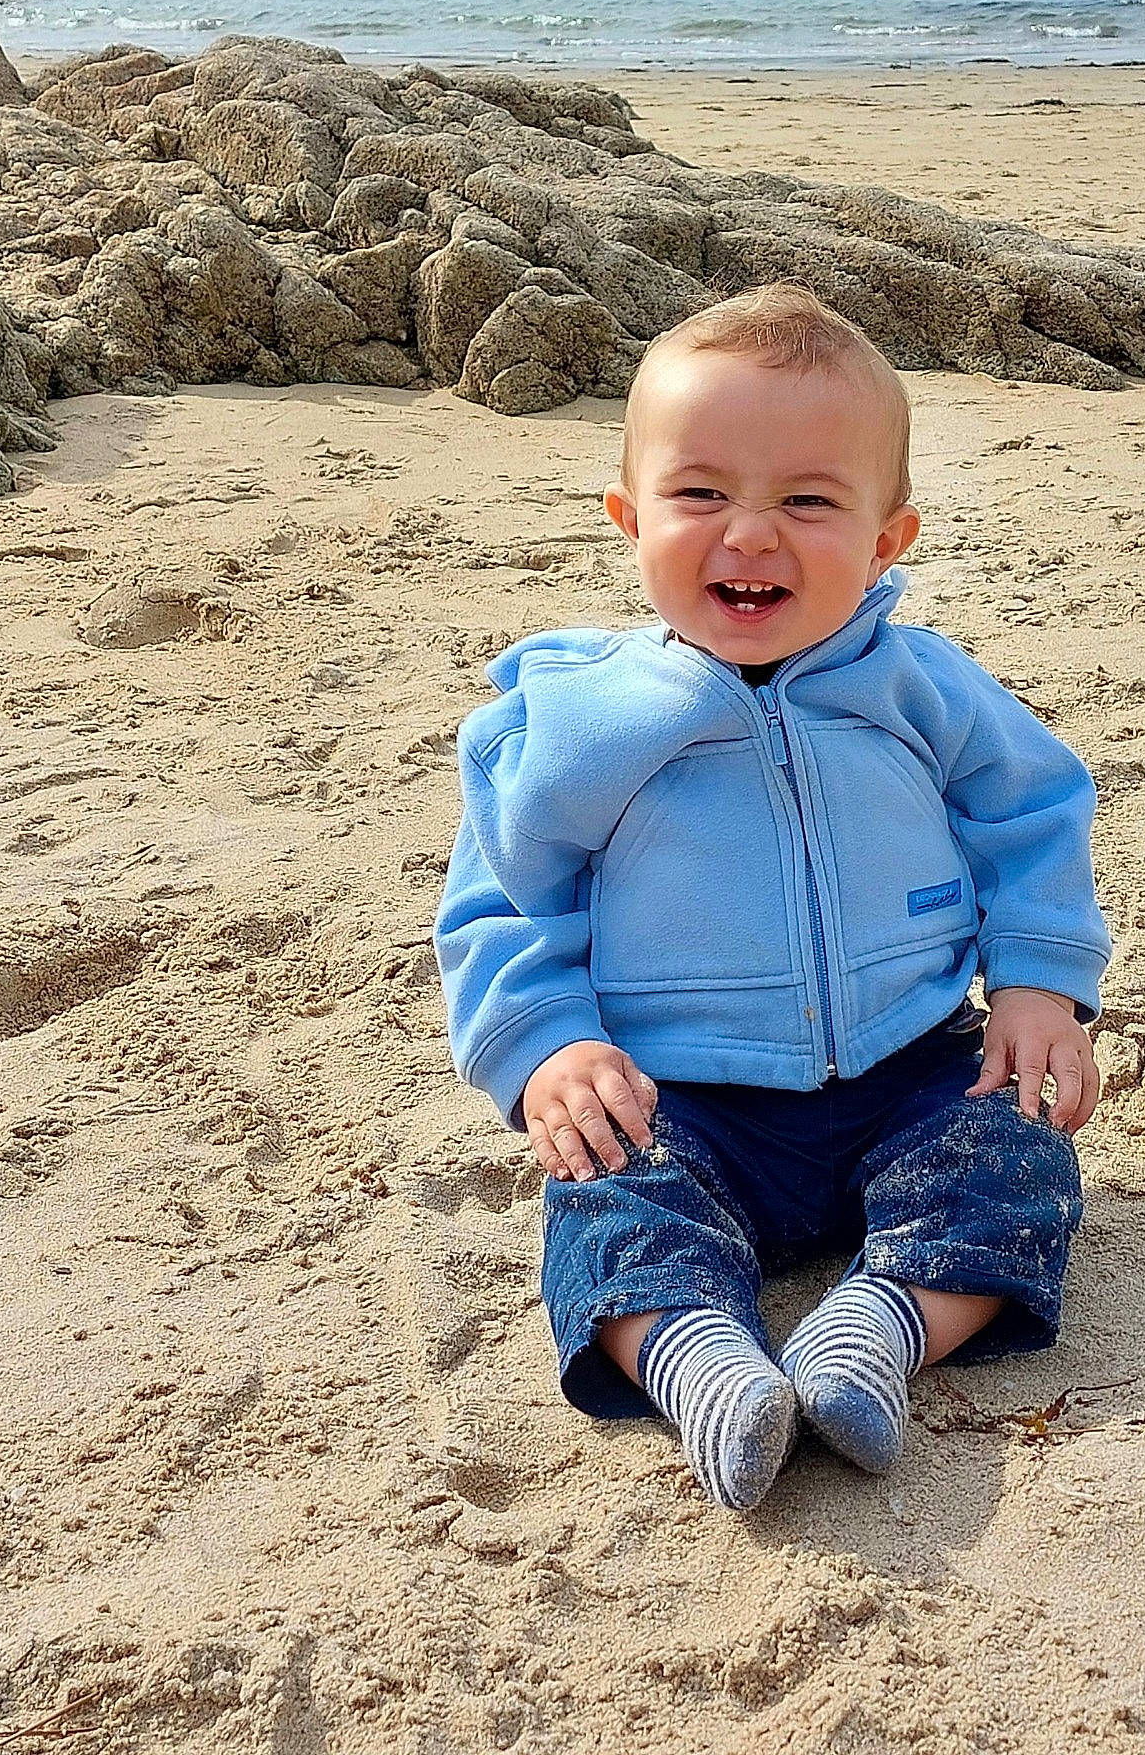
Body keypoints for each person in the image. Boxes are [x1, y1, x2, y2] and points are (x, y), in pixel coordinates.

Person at [435, 282, 1111, 1511]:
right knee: (607, 1199)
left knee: (1015, 1157)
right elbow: (506, 904)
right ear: (630, 517)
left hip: (911, 1068)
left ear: (886, 541)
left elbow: (1031, 816)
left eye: (806, 501)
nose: (749, 535)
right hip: (678, 1093)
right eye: (700, 494)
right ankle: (701, 1363)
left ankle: (878, 1327)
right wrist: (551, 1047)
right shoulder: (577, 725)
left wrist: (1034, 982)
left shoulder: (920, 687)